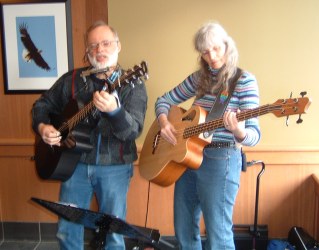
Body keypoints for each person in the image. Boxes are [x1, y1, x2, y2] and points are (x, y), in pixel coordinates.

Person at [31, 20, 148, 249]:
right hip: (73, 166)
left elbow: (133, 131)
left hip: (114, 166)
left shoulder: (133, 85)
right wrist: (43, 127)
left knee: (113, 235)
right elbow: (41, 105)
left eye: (105, 43)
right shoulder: (72, 79)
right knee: (67, 230)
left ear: (118, 46)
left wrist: (115, 112)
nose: (99, 50)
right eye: (93, 45)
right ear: (87, 51)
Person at [155, 22, 260, 249]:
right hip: (188, 157)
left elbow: (254, 135)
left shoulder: (243, 81)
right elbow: (162, 101)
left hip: (221, 159)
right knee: (184, 228)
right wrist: (164, 123)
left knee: (218, 234)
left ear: (227, 45)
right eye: (205, 52)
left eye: (216, 49)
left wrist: (238, 130)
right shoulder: (198, 79)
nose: (211, 56)